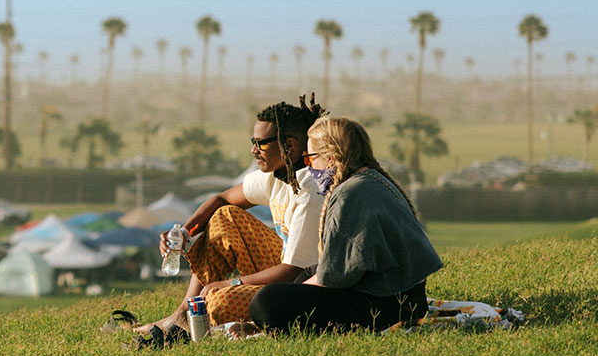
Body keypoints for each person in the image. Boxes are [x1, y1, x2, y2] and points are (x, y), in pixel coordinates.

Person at [135, 94, 326, 335]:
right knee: (225, 216)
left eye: (261, 143)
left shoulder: (310, 191)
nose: (253, 150)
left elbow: (294, 271)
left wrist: (230, 284)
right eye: (252, 141)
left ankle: (200, 317)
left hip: (304, 288)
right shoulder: (277, 176)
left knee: (217, 302)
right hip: (283, 270)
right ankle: (183, 313)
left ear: (289, 145)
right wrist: (185, 232)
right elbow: (221, 199)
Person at [248, 116, 444, 334]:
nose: (309, 166)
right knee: (304, 275)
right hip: (407, 296)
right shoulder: (373, 179)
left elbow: (334, 278)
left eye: (311, 158)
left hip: (388, 306)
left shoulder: (350, 195)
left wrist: (293, 292)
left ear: (331, 158)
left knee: (266, 302)